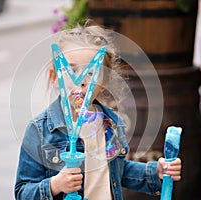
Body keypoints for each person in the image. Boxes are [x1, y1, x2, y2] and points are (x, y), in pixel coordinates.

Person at [14, 22, 182, 200]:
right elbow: (22, 192)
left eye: (91, 72)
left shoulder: (111, 123)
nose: (81, 81)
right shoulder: (40, 130)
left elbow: (117, 171)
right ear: (54, 77)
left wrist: (156, 172)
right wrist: (55, 185)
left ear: (104, 82)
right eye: (70, 70)